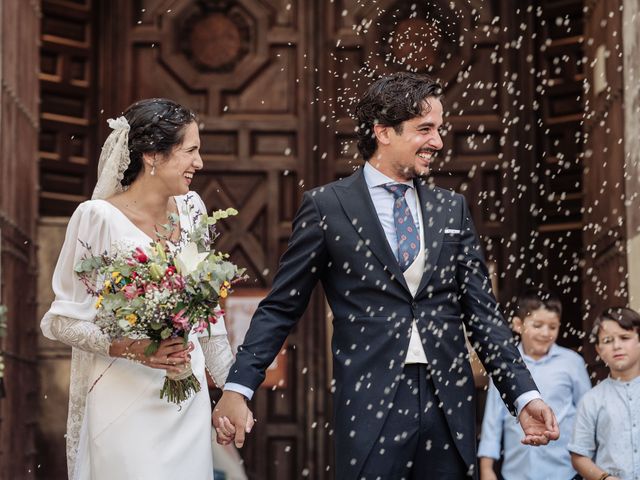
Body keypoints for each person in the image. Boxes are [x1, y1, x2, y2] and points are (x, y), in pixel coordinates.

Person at [213, 72, 559, 479]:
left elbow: (483, 316)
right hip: (370, 404)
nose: (438, 142)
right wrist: (238, 387)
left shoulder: (452, 209)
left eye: (440, 129)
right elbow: (281, 308)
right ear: (383, 132)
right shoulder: (328, 207)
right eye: (425, 129)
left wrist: (523, 394)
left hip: (448, 404)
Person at [40, 99, 241, 480]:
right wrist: (133, 348)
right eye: (191, 151)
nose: (199, 163)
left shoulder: (193, 209)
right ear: (152, 155)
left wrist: (232, 391)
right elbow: (60, 322)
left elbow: (208, 317)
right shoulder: (96, 217)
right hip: (124, 395)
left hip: (187, 397)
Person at [477, 289, 591, 480]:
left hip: (565, 472)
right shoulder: (505, 367)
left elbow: (587, 416)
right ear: (517, 324)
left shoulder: (573, 362)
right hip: (516, 473)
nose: (545, 333)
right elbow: (492, 422)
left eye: (553, 327)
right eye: (537, 325)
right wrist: (487, 468)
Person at [569, 307, 640, 480]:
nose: (617, 346)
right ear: (599, 350)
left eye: (625, 338)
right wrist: (604, 478)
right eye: (608, 340)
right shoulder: (591, 400)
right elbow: (579, 456)